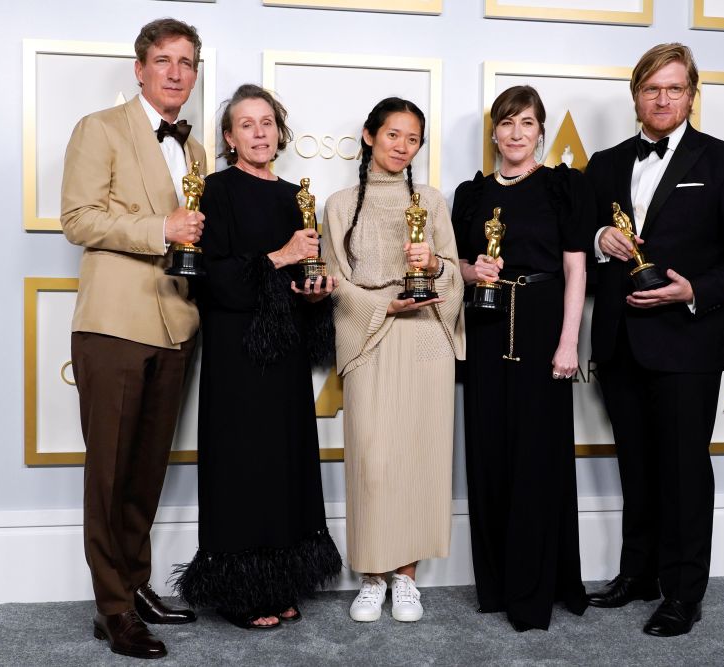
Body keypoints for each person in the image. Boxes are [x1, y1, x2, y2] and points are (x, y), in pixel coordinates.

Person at [584, 43, 724, 637]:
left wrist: (693, 291)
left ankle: (683, 591)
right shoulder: (606, 162)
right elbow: (579, 247)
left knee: (685, 469)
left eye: (674, 89)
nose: (662, 99)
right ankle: (638, 573)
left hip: (687, 340)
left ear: (691, 95)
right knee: (635, 466)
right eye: (651, 89)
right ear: (635, 95)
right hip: (619, 341)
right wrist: (598, 241)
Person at [60, 17, 206, 660]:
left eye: (187, 62)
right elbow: (78, 218)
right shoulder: (100, 128)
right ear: (140, 68)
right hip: (113, 324)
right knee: (110, 472)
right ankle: (112, 607)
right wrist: (161, 229)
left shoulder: (196, 149)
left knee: (147, 471)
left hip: (177, 325)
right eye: (164, 60)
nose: (177, 73)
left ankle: (136, 584)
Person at [171, 84, 342, 630]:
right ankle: (242, 591)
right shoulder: (213, 193)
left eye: (267, 122)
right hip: (236, 351)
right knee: (242, 465)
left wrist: (316, 290)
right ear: (228, 138)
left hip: (287, 349)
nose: (259, 132)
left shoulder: (298, 196)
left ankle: (282, 580)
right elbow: (209, 279)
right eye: (246, 124)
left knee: (285, 463)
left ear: (280, 131)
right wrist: (282, 255)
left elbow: (302, 276)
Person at [451, 85, 593, 631]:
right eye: (506, 123)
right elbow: (459, 264)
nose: (515, 134)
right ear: (494, 132)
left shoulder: (563, 186)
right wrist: (472, 273)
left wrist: (567, 342)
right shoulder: (472, 194)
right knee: (490, 455)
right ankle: (498, 583)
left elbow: (577, 269)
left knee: (537, 458)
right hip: (486, 325)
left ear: (540, 131)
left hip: (541, 325)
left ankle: (535, 591)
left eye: (527, 124)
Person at [321, 97, 464, 623]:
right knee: (373, 460)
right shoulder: (339, 203)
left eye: (412, 139)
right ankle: (372, 575)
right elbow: (334, 281)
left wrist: (436, 266)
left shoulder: (432, 199)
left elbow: (452, 272)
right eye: (392, 136)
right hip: (370, 333)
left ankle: (406, 577)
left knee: (420, 459)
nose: (402, 148)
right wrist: (384, 304)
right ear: (368, 136)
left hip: (426, 336)